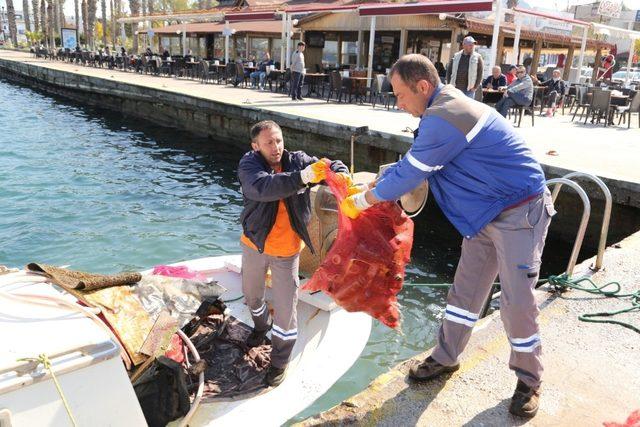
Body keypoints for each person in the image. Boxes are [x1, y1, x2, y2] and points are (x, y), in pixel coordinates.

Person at [339, 54, 554, 419]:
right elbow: (419, 162)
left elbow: (413, 172)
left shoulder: (445, 115)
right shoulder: (440, 108)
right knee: (464, 291)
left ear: (423, 86)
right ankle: (445, 356)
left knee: (516, 301)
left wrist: (362, 199)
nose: (398, 102)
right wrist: (388, 178)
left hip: (519, 213)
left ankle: (529, 380)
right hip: (484, 215)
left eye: (400, 94)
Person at [238, 120, 351, 387]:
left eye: (278, 140)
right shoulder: (248, 165)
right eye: (268, 143)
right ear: (256, 146)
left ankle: (279, 363)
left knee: (287, 311)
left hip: (287, 251)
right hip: (254, 244)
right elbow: (262, 188)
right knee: (252, 295)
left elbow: (328, 165)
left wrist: (340, 170)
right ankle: (260, 326)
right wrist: (303, 178)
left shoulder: (298, 160)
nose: (276, 147)